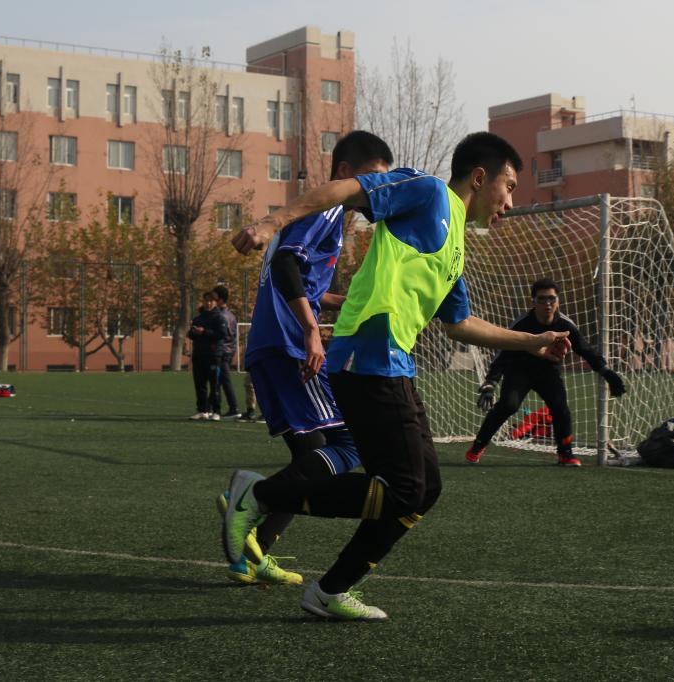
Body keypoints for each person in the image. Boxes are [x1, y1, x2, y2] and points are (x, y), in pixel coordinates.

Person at [222, 132, 571, 621]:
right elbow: (346, 190)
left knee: (424, 490)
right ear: (479, 178)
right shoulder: (428, 192)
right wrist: (272, 221)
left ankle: (329, 591)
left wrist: (532, 340)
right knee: (404, 489)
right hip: (365, 356)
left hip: (392, 364)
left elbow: (459, 324)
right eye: (508, 187)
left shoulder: (455, 244)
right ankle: (260, 496)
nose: (510, 203)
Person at [217, 131, 395, 586]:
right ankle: (252, 495)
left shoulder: (325, 215)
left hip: (277, 343)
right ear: (344, 172)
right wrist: (313, 331)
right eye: (372, 177)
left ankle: (255, 551)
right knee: (348, 445)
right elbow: (284, 266)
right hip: (290, 346)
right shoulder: (327, 208)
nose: (376, 189)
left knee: (311, 456)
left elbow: (302, 282)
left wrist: (343, 302)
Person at [465, 278, 627, 467]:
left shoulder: (565, 325)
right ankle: (478, 446)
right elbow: (503, 354)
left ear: (558, 301)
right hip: (519, 370)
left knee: (560, 407)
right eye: (542, 299)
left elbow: (585, 350)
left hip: (548, 371)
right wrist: (490, 382)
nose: (547, 303)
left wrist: (606, 371)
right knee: (509, 405)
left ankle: (565, 454)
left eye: (552, 299)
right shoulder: (522, 324)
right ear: (533, 301)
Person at [187, 291, 227, 421]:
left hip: (213, 355)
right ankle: (202, 410)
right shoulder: (198, 318)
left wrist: (204, 332)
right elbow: (190, 334)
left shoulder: (219, 318)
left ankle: (216, 411)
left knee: (214, 384)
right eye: (206, 301)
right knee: (200, 384)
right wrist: (193, 332)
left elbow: (221, 334)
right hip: (199, 354)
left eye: (211, 301)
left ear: (215, 302)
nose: (208, 303)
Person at [212, 285, 241, 419]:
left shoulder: (223, 316)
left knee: (224, 379)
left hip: (223, 352)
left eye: (214, 298)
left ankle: (234, 408)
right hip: (227, 351)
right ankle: (223, 408)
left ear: (220, 299)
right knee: (221, 380)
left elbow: (224, 336)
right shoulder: (229, 314)